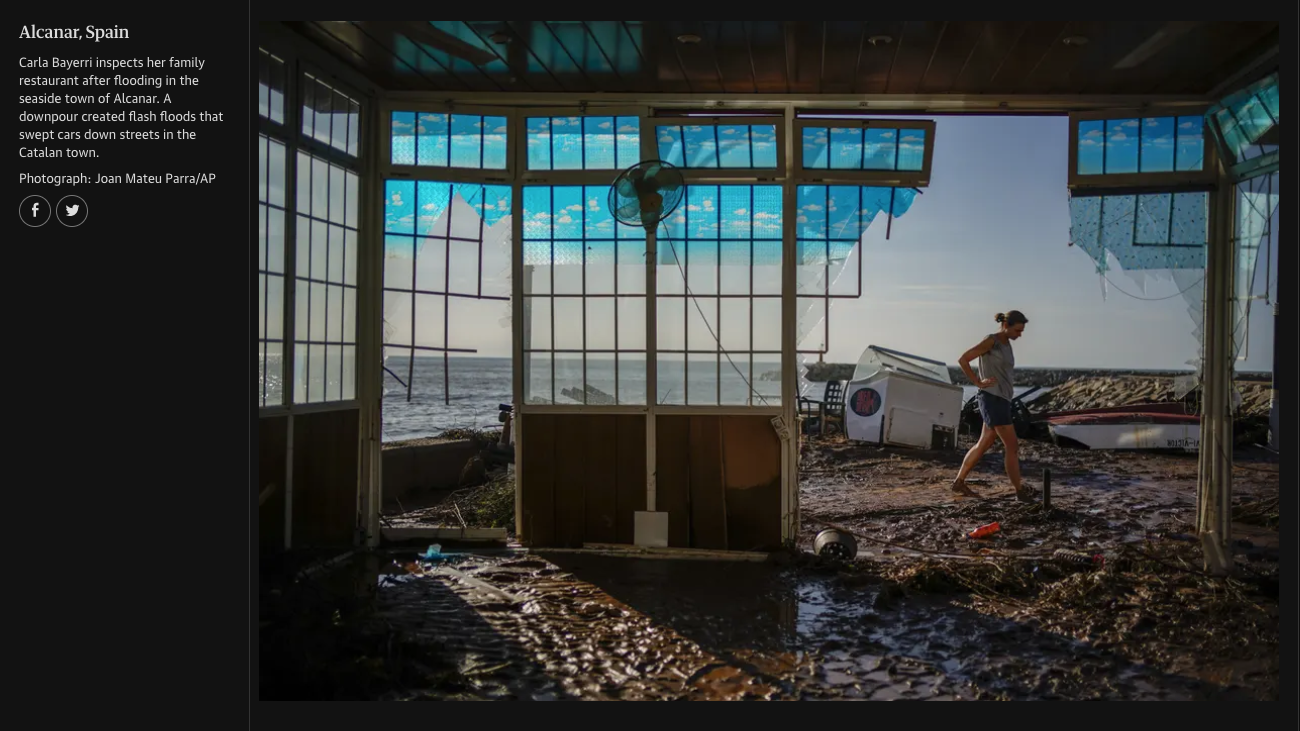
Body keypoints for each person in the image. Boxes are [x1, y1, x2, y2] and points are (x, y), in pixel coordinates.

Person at [950, 311, 1034, 501]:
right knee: (1012, 446)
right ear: (1006, 325)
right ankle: (1020, 492)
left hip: (1002, 400)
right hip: (992, 398)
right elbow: (963, 359)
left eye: (1022, 331)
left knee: (983, 443)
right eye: (1018, 330)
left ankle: (959, 482)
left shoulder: (1007, 345)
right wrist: (978, 382)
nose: (1020, 334)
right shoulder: (991, 341)